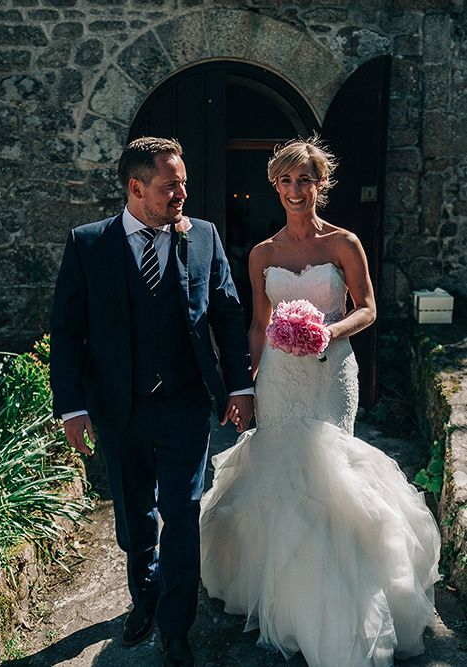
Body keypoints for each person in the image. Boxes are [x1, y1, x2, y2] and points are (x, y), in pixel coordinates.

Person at [199, 136, 441, 667]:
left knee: (331, 474)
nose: (294, 190)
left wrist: (329, 333)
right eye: (285, 181)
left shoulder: (343, 244)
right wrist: (245, 384)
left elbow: (368, 308)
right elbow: (258, 327)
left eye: (303, 180)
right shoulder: (263, 254)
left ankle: (345, 596)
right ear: (275, 187)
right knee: (283, 476)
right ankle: (288, 599)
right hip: (280, 383)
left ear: (319, 184)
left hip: (332, 373)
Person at [50, 136, 254, 667]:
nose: (182, 193)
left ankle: (175, 628)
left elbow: (228, 316)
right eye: (171, 186)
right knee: (134, 512)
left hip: (185, 404)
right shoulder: (88, 244)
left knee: (182, 513)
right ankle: (143, 595)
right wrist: (72, 407)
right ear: (136, 188)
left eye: (183, 182)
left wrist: (239, 386)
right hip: (119, 406)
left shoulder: (203, 237)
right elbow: (67, 331)